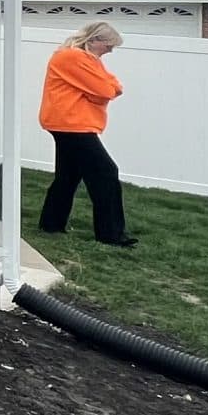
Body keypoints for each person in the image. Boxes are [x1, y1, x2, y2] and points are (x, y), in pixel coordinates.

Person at [37, 21, 135, 248]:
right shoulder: (72, 58)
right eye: (109, 45)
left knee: (68, 176)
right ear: (94, 40)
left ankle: (51, 224)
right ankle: (111, 234)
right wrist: (98, 92)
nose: (111, 50)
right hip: (72, 124)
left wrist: (100, 91)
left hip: (69, 123)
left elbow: (113, 86)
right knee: (106, 173)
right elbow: (105, 90)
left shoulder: (89, 60)